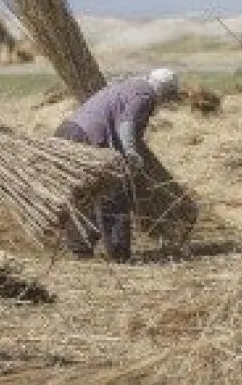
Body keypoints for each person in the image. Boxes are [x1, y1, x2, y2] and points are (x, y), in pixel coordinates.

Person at [54, 67, 180, 261]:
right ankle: (119, 256)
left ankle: (80, 251)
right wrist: (130, 152)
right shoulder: (145, 94)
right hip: (89, 137)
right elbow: (127, 124)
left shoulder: (127, 84)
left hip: (69, 130)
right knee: (114, 195)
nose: (165, 103)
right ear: (165, 92)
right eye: (168, 98)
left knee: (84, 194)